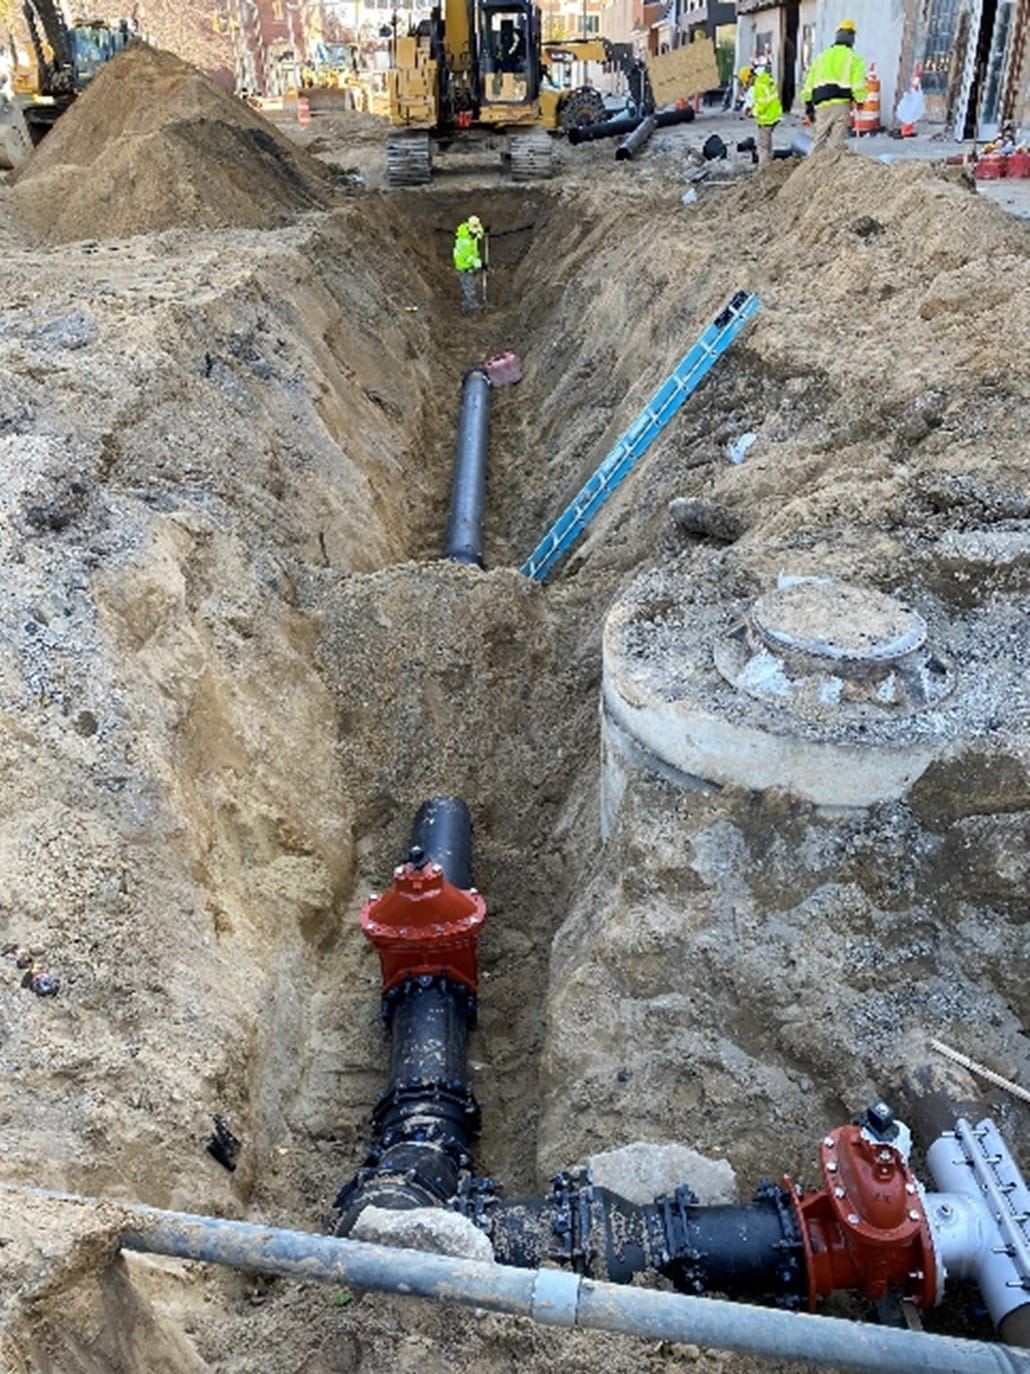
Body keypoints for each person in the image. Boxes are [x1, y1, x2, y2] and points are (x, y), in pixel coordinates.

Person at [800, 18, 867, 152]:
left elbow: (808, 84)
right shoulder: (854, 58)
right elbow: (858, 85)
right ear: (852, 37)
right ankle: (834, 169)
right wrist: (860, 101)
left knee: (818, 140)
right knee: (837, 144)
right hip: (841, 104)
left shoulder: (821, 57)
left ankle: (812, 168)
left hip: (821, 104)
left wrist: (808, 106)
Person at [738, 61, 782, 167]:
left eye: (748, 82)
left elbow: (762, 105)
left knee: (762, 145)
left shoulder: (759, 85)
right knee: (767, 142)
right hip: (773, 115)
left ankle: (764, 168)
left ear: (750, 77)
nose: (749, 85)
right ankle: (769, 162)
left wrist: (752, 112)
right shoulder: (765, 79)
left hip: (767, 117)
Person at [453, 214, 485, 315]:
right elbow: (469, 258)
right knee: (469, 287)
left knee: (467, 286)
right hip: (463, 266)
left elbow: (479, 232)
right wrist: (480, 264)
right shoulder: (464, 242)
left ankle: (466, 305)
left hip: (469, 263)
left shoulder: (471, 230)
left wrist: (483, 233)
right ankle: (472, 309)